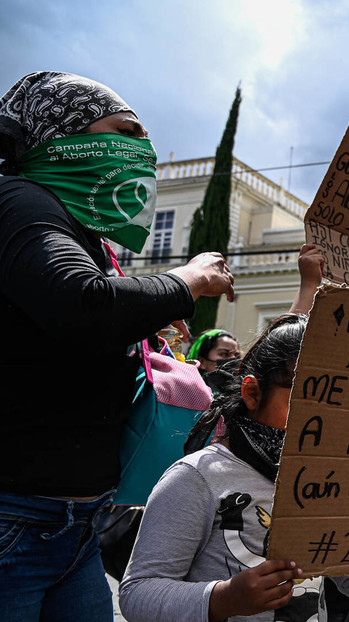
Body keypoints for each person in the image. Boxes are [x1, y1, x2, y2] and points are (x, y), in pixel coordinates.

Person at [0, 71, 235, 621]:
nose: (141, 150)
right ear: (59, 134)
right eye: (125, 132)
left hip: (74, 524)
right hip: (16, 518)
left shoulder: (74, 228)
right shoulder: (21, 201)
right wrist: (187, 281)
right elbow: (82, 304)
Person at [119, 314, 349, 621]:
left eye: (334, 402)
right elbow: (138, 594)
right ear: (252, 393)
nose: (319, 419)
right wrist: (222, 598)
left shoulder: (325, 479)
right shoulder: (196, 478)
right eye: (304, 398)